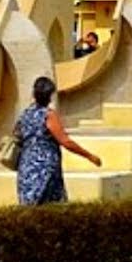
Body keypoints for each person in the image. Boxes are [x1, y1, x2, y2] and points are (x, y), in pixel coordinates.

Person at [15, 75, 101, 206]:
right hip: (44, 168)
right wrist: (89, 156)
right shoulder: (48, 115)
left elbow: (17, 135)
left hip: (26, 166)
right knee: (49, 207)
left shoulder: (25, 114)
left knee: (29, 206)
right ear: (50, 96)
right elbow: (65, 141)